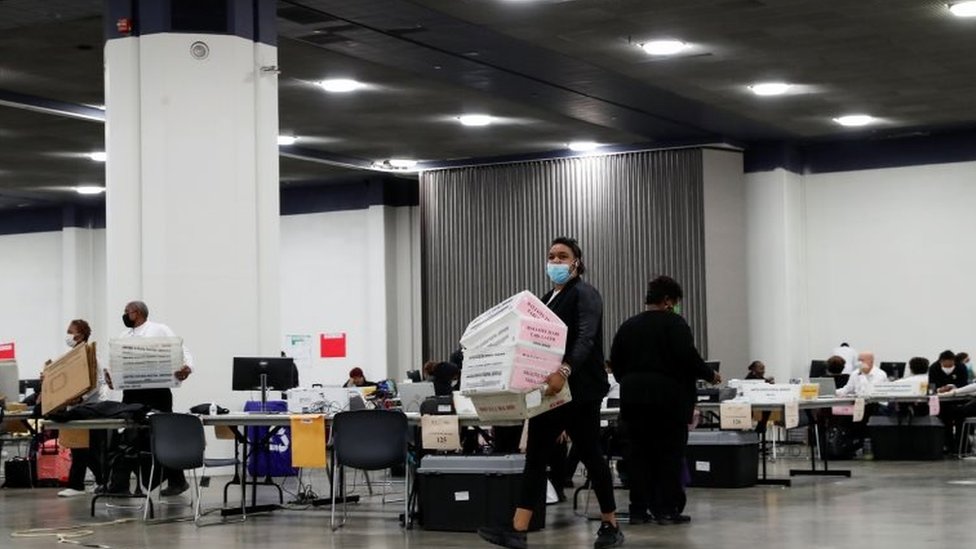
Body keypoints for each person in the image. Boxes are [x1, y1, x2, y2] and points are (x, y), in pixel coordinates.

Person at [478, 237, 623, 549]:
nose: (556, 261)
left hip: (580, 390)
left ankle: (610, 524)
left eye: (563, 256)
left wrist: (565, 370)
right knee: (536, 455)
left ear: (577, 262)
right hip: (551, 392)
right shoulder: (547, 299)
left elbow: (586, 336)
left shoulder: (585, 294)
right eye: (551, 256)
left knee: (590, 454)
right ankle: (518, 529)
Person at [609, 275, 721, 526]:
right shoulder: (675, 323)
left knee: (637, 457)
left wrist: (632, 381)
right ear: (668, 301)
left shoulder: (628, 325)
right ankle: (666, 510)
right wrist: (710, 374)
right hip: (668, 401)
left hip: (633, 400)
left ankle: (638, 510)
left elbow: (615, 363)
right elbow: (688, 357)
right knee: (668, 456)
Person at [106, 300, 194, 496]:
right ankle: (119, 485)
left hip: (157, 392)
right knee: (128, 436)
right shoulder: (123, 337)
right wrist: (112, 379)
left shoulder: (159, 329)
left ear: (136, 313)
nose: (124, 315)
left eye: (126, 312)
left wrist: (187, 367)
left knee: (163, 436)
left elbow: (181, 349)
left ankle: (177, 481)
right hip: (131, 393)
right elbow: (116, 364)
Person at [53, 319, 109, 497]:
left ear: (81, 335)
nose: (68, 335)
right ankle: (93, 483)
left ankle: (85, 484)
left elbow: (96, 383)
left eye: (71, 332)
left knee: (88, 448)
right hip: (79, 408)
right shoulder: (73, 357)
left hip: (91, 408)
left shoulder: (91, 357)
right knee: (80, 447)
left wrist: (81, 398)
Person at [931, 350, 969, 452]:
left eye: (951, 365)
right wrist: (940, 389)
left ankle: (962, 447)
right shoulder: (934, 368)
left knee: (960, 420)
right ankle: (948, 445)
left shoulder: (961, 367)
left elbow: (965, 383)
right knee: (945, 422)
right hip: (942, 401)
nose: (948, 368)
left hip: (959, 400)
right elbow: (932, 386)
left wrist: (954, 386)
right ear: (941, 362)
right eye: (946, 365)